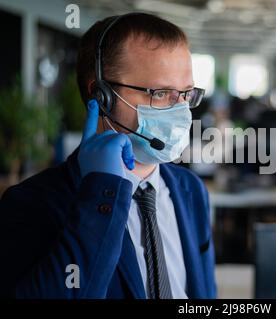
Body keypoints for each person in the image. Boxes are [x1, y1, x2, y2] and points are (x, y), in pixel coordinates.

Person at [0, 13, 216, 299]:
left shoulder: (191, 190)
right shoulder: (32, 204)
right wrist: (99, 194)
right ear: (101, 96)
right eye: (160, 93)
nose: (180, 111)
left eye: (186, 94)